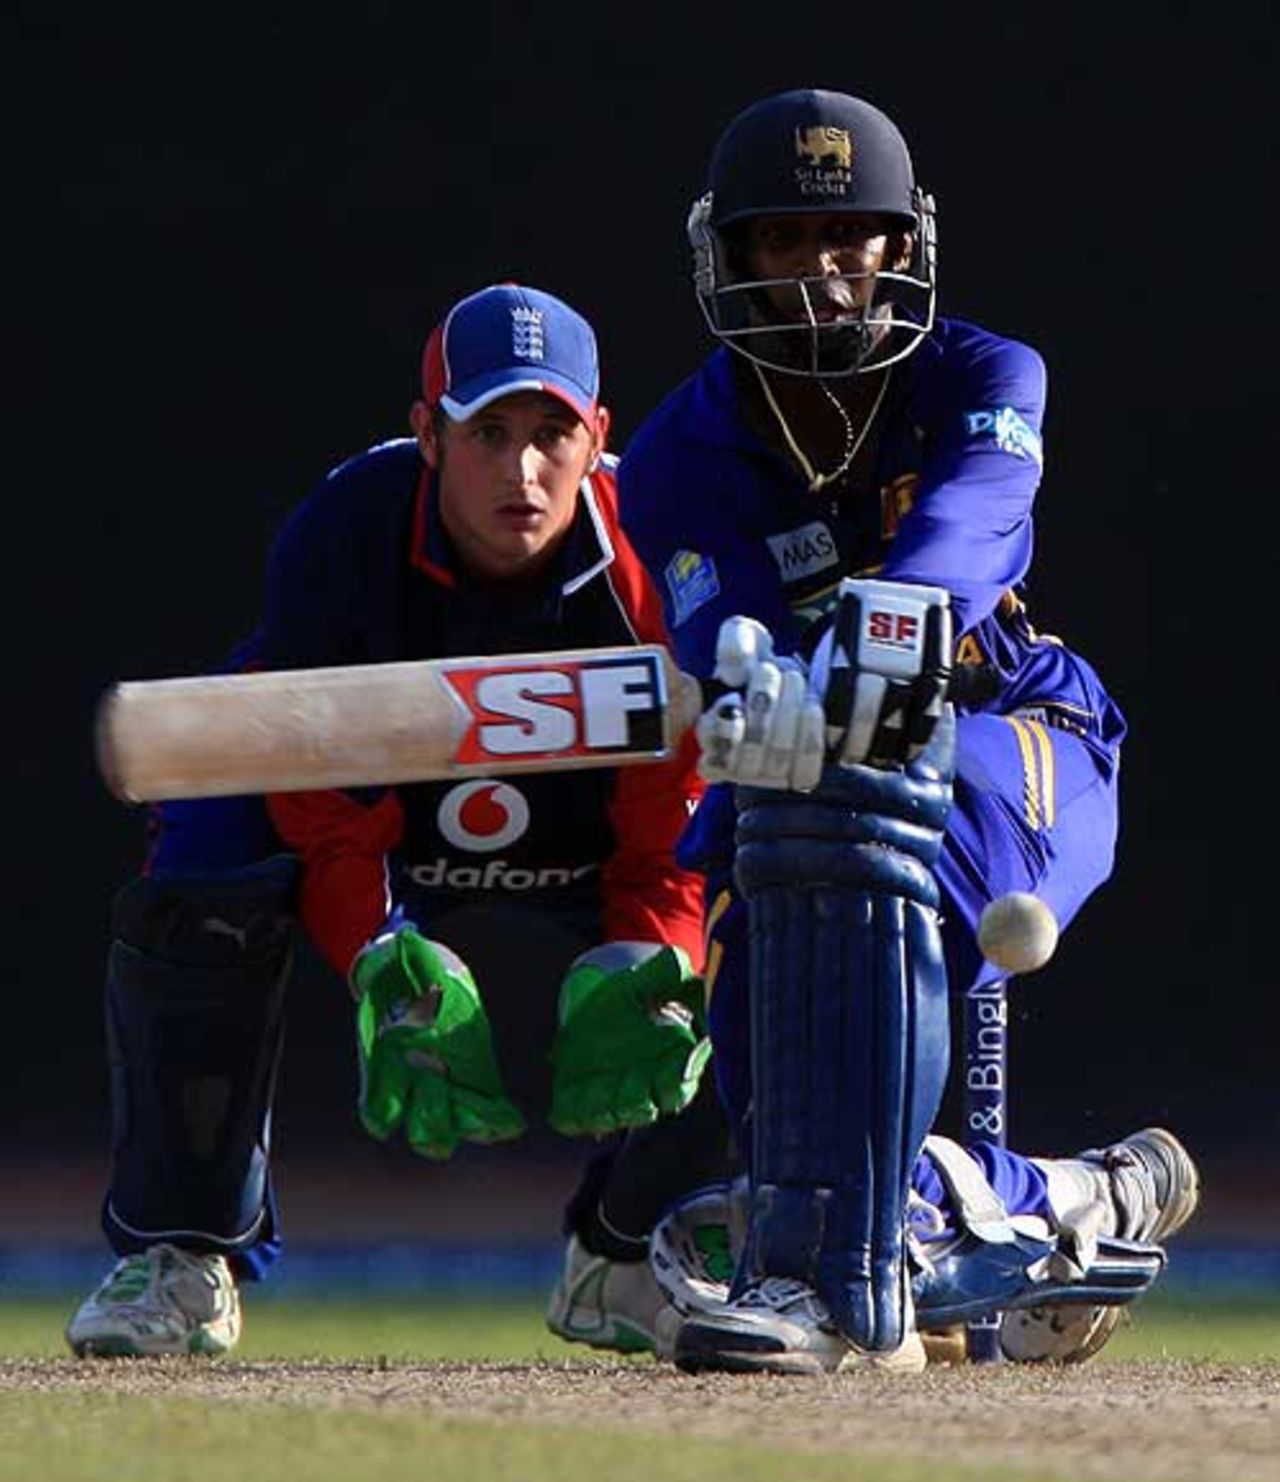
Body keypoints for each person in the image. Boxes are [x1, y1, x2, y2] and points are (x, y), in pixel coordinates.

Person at [617, 88, 1200, 1372]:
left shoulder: (988, 374)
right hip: (797, 764)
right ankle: (1063, 1203)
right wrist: (755, 689)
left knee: (889, 834)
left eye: (853, 240)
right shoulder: (674, 453)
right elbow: (725, 643)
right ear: (733, 256)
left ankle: (839, 1280)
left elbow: (967, 534)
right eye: (787, 243)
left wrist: (845, 656)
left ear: (901, 244)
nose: (826, 275)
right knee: (767, 1019)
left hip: (1011, 722)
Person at [65, 282, 737, 1359]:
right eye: (490, 433)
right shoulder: (344, 532)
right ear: (428, 433)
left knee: (769, 891)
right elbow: (319, 811)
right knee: (202, 858)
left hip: (592, 821)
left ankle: (635, 1248)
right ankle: (182, 1258)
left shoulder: (661, 544)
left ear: (597, 434)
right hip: (385, 814)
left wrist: (648, 955)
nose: (523, 470)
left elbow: (676, 820)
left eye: (552, 432)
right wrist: (381, 953)